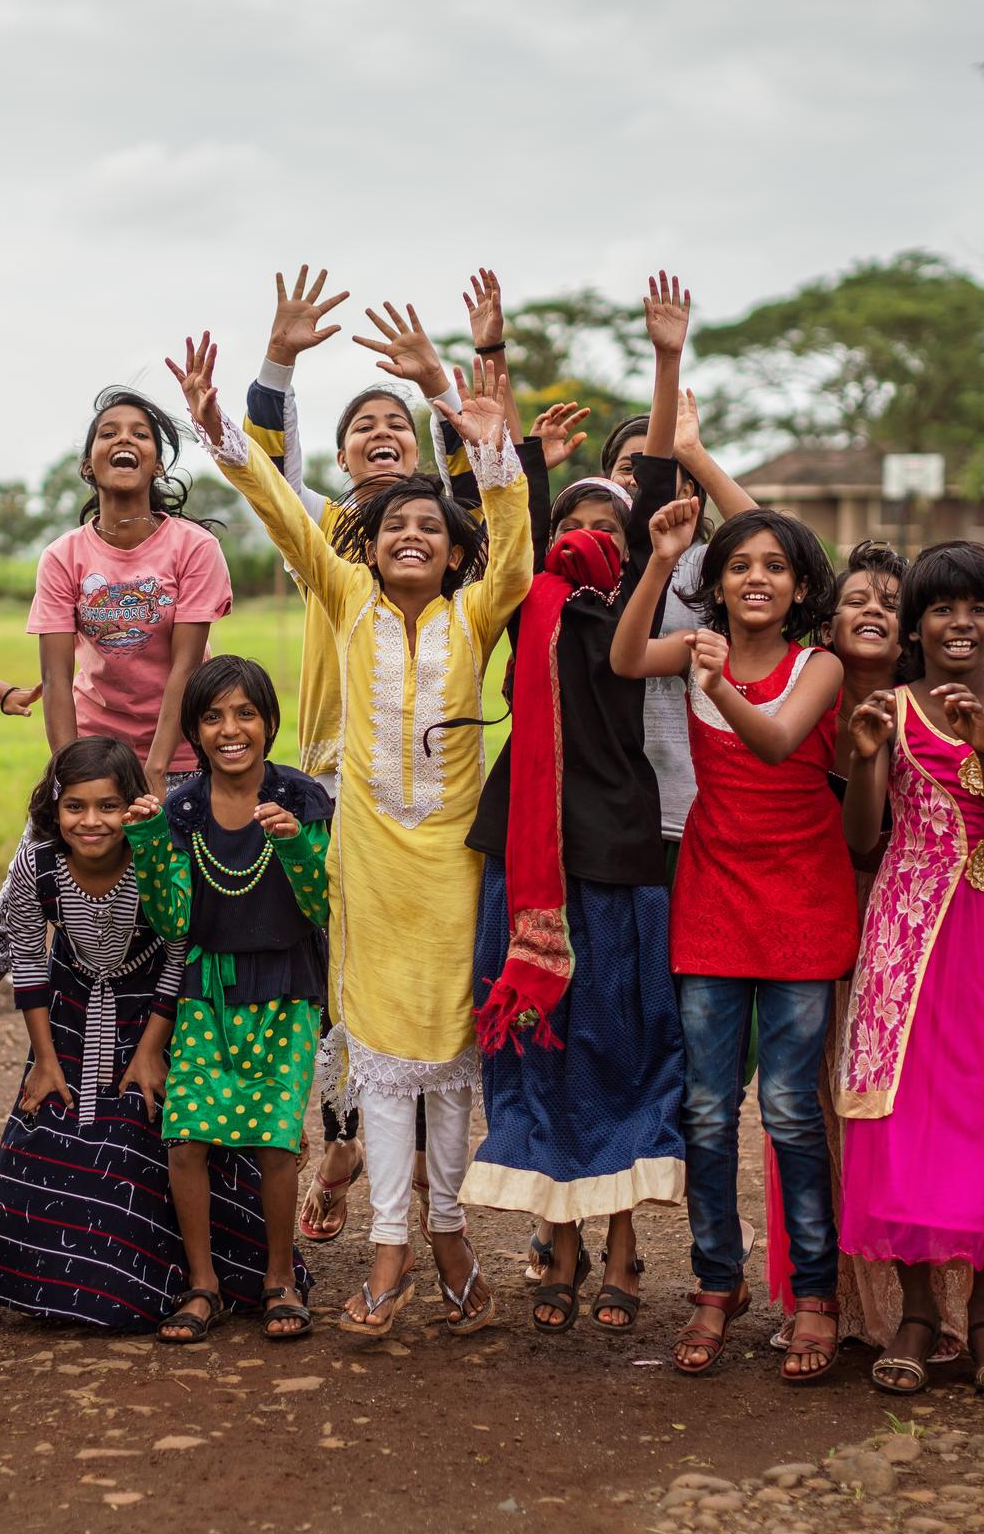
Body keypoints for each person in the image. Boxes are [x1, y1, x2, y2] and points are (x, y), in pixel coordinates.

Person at [177, 335, 530, 1338]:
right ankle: (388, 1249)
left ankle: (450, 1232)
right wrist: (218, 433)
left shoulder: (478, 613)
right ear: (365, 546)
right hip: (369, 861)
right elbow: (287, 515)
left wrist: (489, 444)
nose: (410, 534)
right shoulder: (344, 596)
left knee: (453, 1050)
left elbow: (516, 549)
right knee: (376, 1048)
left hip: (455, 859)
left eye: (430, 525)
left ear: (453, 550)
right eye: (391, 525)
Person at [461, 279, 702, 1336]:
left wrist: (665, 363)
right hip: (525, 841)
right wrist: (493, 357)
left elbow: (653, 476)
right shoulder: (530, 601)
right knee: (538, 1043)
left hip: (617, 845)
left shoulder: (636, 611)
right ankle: (551, 1239)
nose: (593, 528)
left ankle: (617, 1240)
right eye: (579, 514)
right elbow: (505, 493)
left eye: (617, 517)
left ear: (644, 532)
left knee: (614, 1036)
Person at [239, 268, 486, 1250]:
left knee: (428, 975)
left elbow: (481, 490)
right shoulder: (328, 535)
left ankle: (418, 1173)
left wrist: (441, 390)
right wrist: (280, 362)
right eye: (361, 426)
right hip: (334, 784)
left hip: (432, 802)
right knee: (337, 978)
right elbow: (260, 466)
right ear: (336, 457)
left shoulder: (447, 537)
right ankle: (344, 1139)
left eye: (396, 422)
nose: (380, 433)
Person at [612, 492, 854, 1382]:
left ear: (799, 588)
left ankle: (817, 1294)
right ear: (714, 582)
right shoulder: (696, 649)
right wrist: (659, 558)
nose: (757, 578)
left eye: (775, 567)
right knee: (707, 1109)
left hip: (801, 902)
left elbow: (780, 745)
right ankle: (718, 1284)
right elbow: (627, 653)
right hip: (713, 899)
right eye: (739, 564)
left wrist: (714, 685)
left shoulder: (818, 665)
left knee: (789, 1110)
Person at [836, 541, 984, 1397]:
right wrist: (866, 758)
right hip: (907, 931)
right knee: (908, 1112)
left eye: (977, 608)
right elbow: (863, 839)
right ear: (914, 625)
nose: (959, 623)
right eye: (941, 608)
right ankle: (920, 1311)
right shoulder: (885, 708)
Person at [0, 738, 295, 1329]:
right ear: (54, 808)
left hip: (156, 1012)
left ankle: (191, 1284)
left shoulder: (157, 855)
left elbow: (178, 953)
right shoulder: (38, 863)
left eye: (107, 806)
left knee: (146, 1128)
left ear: (135, 807)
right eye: (75, 806)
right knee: (47, 1123)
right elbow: (25, 954)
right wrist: (45, 1060)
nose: (91, 821)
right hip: (68, 1014)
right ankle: (52, 1289)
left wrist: (151, 1051)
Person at [125, 657, 334, 1342]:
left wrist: (298, 847)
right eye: (212, 716)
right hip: (207, 994)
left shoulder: (302, 800)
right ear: (193, 729)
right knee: (185, 1138)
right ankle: (203, 1284)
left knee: (276, 1142)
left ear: (270, 723)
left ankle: (278, 1279)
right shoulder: (182, 809)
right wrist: (151, 843)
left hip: (287, 991)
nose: (230, 728)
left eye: (246, 713)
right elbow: (174, 921)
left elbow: (321, 904)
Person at [31, 388, 233, 797]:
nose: (124, 439)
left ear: (157, 465)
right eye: (108, 433)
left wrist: (157, 771)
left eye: (140, 434)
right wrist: (71, 774)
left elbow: (187, 667)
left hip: (180, 756)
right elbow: (55, 679)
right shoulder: (61, 557)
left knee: (175, 862)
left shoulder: (194, 547)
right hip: (96, 753)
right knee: (42, 861)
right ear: (88, 466)